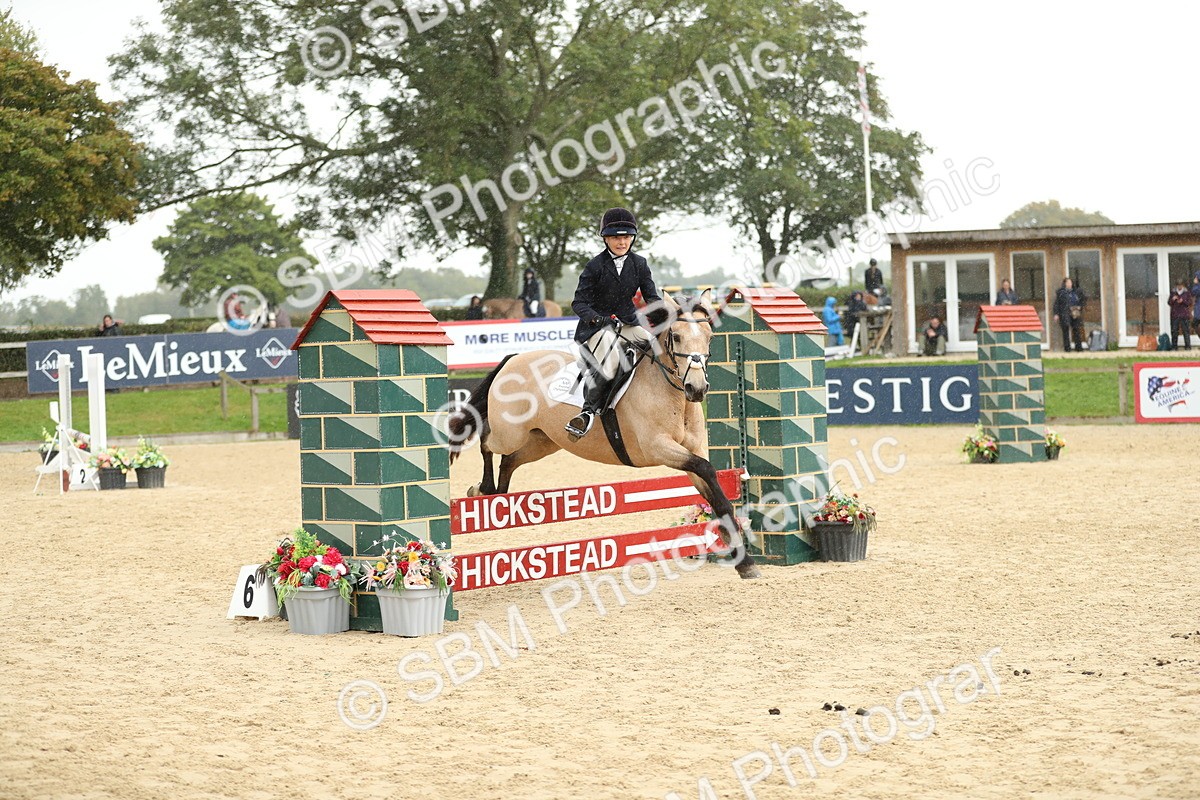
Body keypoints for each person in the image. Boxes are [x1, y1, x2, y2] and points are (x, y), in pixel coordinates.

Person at [565, 207, 661, 439]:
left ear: (633, 238)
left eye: (626, 236)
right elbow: (578, 303)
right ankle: (587, 413)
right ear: (606, 239)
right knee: (611, 362)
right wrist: (598, 318)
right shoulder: (594, 266)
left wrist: (665, 315)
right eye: (616, 237)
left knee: (654, 346)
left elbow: (652, 297)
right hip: (597, 326)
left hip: (627, 321)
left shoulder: (639, 263)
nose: (622, 241)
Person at [1052, 277, 1085, 352]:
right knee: (1066, 331)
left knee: (1076, 330)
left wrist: (1080, 307)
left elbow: (1082, 300)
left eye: (1071, 282)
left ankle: (1079, 348)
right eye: (1068, 282)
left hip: (1075, 313)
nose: (1070, 284)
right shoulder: (1061, 293)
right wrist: (1056, 314)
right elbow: (1056, 304)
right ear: (1065, 284)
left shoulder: (1076, 291)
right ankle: (1067, 349)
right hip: (1065, 313)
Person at [1168, 278, 1194, 350]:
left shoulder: (1187, 293)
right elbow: (1169, 303)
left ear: (1183, 285)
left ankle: (1188, 346)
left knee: (1186, 331)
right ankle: (1174, 346)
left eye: (1180, 285)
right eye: (1178, 286)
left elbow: (1190, 303)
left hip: (1184, 314)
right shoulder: (1173, 292)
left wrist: (1183, 301)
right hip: (1175, 314)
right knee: (1174, 331)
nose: (1179, 287)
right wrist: (1173, 299)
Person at [1190, 272, 1200, 338]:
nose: (1194, 279)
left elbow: (1193, 292)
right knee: (1194, 324)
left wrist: (1196, 284)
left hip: (1199, 310)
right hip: (1198, 309)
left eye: (1196, 277)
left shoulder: (1198, 287)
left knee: (1195, 324)